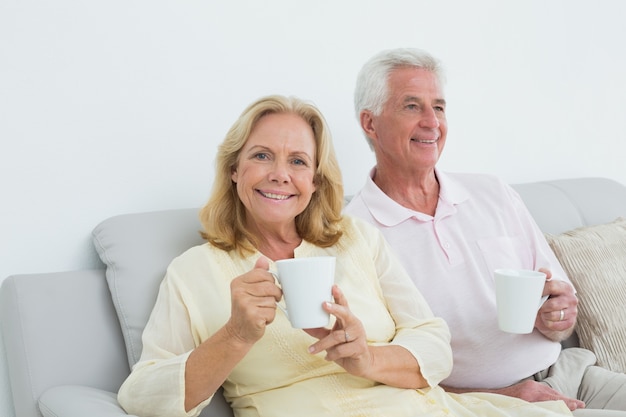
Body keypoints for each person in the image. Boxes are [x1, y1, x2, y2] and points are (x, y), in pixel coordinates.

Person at [117, 94, 572, 417]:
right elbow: (141, 396)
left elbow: (433, 343)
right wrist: (234, 336)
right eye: (261, 156)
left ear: (315, 181)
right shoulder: (193, 271)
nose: (280, 175)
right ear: (234, 170)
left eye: (297, 161)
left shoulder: (354, 239)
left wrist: (366, 357)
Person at [344, 48, 626, 416]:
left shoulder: (492, 193)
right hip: (482, 404)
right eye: (412, 107)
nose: (433, 122)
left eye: (439, 107)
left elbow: (559, 305)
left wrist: (559, 315)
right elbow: (378, 373)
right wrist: (503, 394)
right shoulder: (354, 234)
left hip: (570, 372)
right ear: (370, 123)